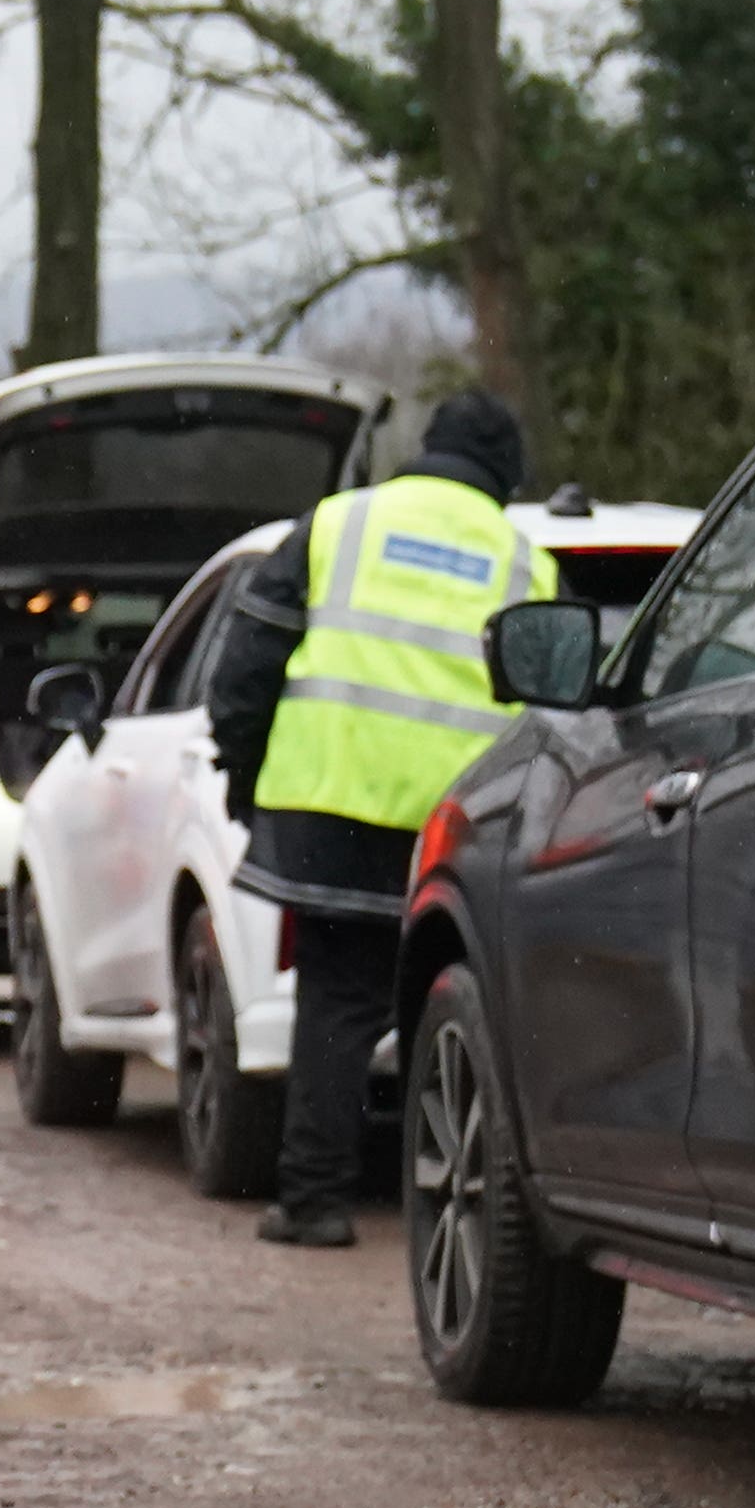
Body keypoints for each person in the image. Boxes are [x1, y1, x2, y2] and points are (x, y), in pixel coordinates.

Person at [203, 390, 553, 1248]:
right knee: (474, 1004)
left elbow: (246, 660)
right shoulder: (525, 562)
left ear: (427, 446)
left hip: (336, 807)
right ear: (507, 471)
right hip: (469, 826)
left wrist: (244, 775)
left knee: (340, 1000)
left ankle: (317, 1201)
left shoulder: (339, 525)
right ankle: (491, 1203)